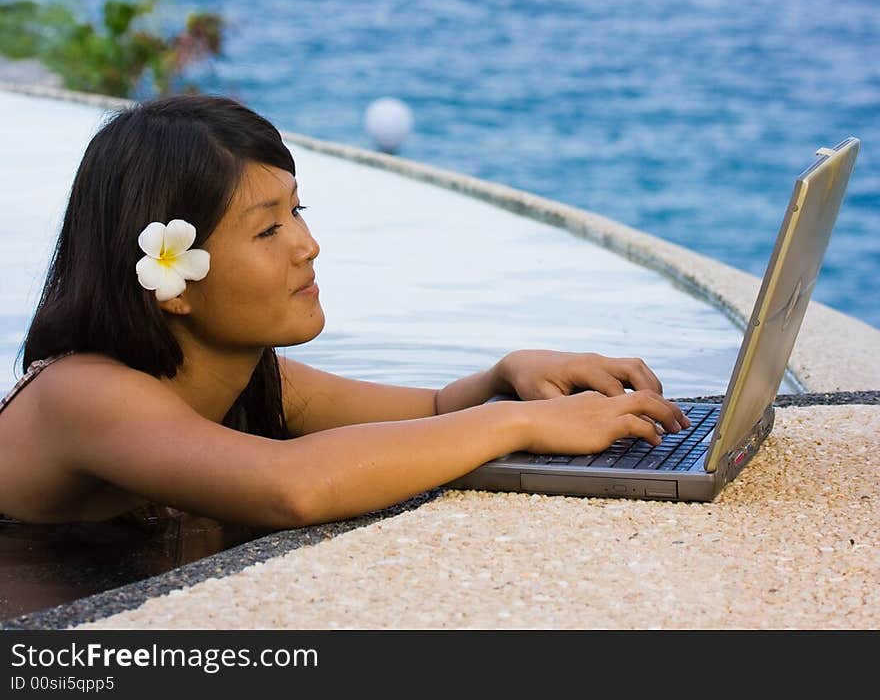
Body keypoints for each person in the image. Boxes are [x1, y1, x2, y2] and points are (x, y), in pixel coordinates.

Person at [0, 94, 689, 529]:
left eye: (297, 209)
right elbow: (293, 487)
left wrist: (508, 375)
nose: (307, 244)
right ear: (173, 281)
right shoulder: (83, 393)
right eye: (268, 229)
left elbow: (431, 412)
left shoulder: (251, 377)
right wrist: (524, 419)